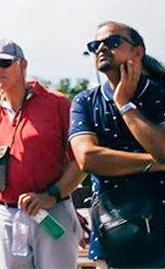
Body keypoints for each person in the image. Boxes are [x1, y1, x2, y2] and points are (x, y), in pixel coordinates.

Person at [0, 39, 83, 268]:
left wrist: (52, 195)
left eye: (4, 64)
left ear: (23, 65)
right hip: (7, 214)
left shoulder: (57, 102)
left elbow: (80, 160)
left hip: (51, 210)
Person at [69, 22, 165, 267]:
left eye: (112, 42)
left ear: (137, 52)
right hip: (113, 230)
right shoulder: (85, 101)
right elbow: (87, 158)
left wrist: (124, 104)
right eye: (94, 45)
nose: (101, 48)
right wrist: (155, 163)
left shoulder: (160, 92)